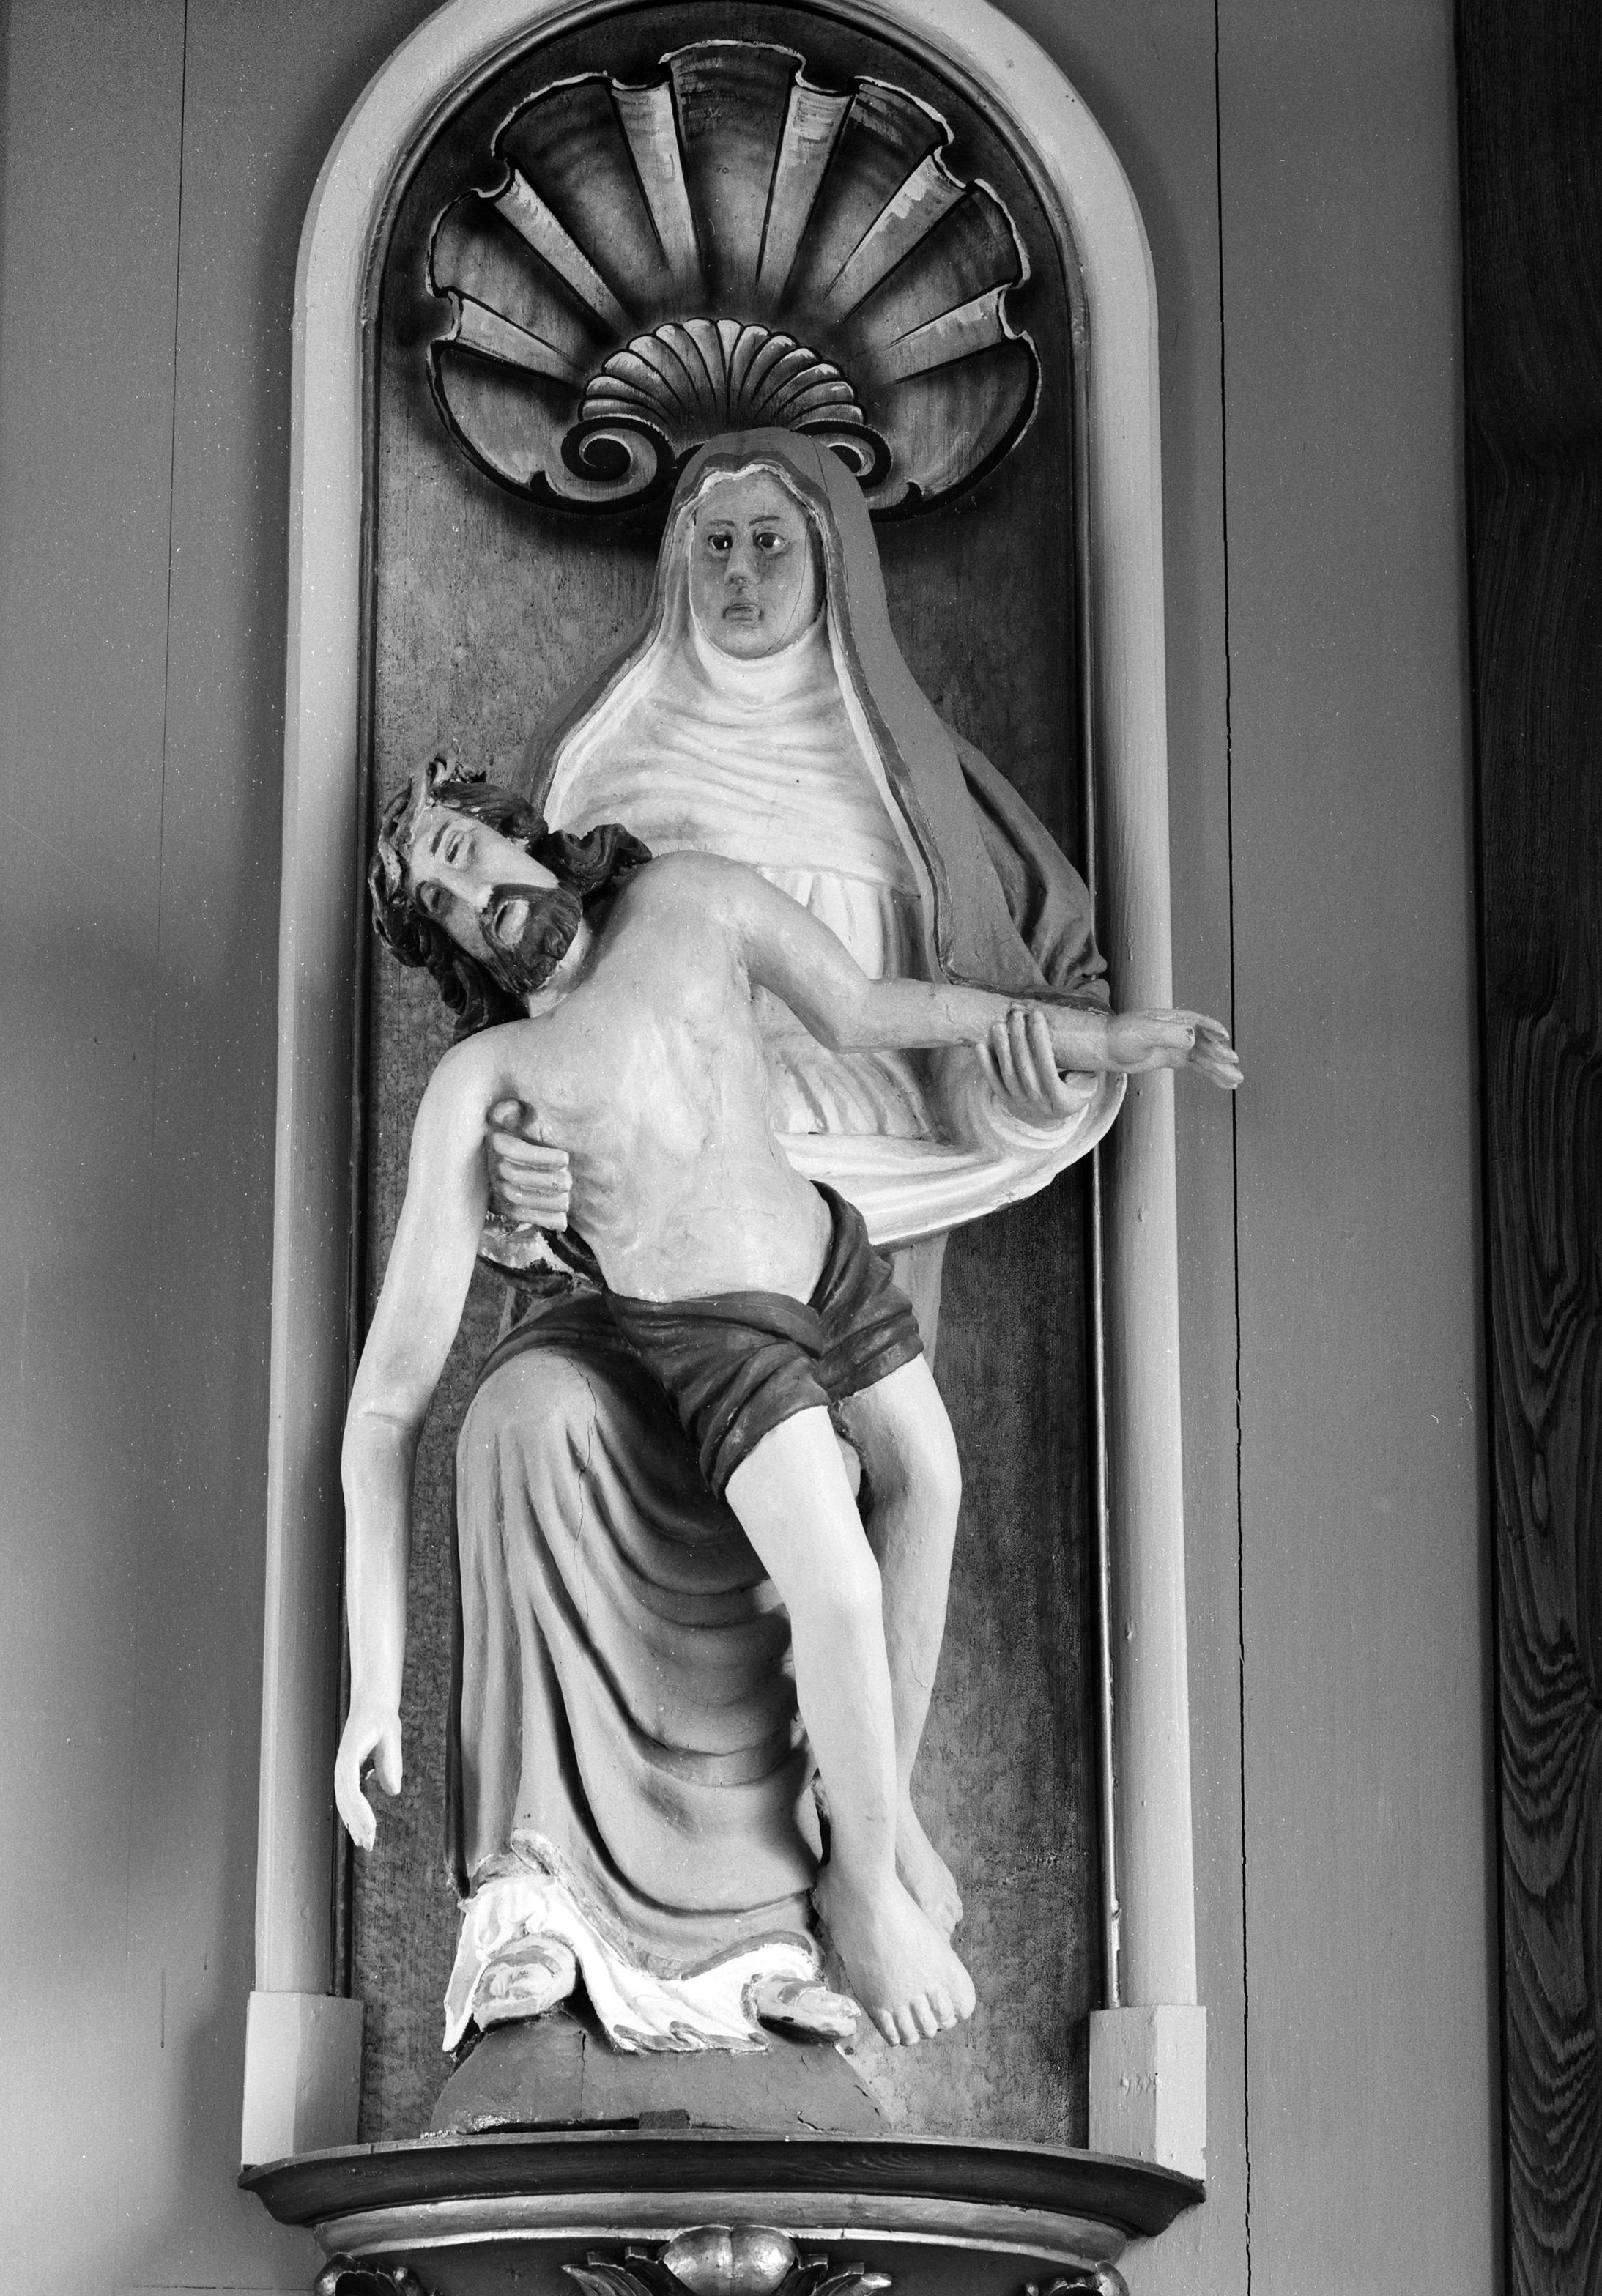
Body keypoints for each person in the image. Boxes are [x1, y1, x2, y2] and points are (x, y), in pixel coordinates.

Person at [335, 758, 1237, 2048]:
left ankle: (880, 1811)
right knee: (841, 1591)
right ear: (452, 953)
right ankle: (860, 1892)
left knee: (930, 1482)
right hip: (716, 1337)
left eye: (462, 852)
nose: (476, 898)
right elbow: (386, 1408)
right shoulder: (492, 1077)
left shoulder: (687, 899)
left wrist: (1105, 1039)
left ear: (514, 828)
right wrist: (374, 1686)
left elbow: (864, 1009)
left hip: (829, 1255)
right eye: (443, 906)